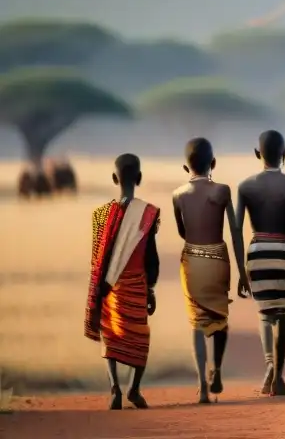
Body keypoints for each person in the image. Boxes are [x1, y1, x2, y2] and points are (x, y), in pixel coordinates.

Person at [173, 138, 249, 404]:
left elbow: (182, 232)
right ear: (213, 163)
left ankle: (202, 387)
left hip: (192, 259)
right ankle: (216, 368)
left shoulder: (178, 195)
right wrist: (242, 272)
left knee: (196, 323)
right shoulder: (223, 191)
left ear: (186, 167)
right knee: (219, 318)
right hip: (218, 257)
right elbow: (236, 233)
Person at [84, 153, 160, 410]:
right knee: (140, 336)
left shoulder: (101, 215)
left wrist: (98, 292)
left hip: (110, 288)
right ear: (139, 178)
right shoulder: (148, 213)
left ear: (114, 178)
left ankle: (114, 389)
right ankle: (134, 389)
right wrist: (150, 288)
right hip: (137, 285)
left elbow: (97, 261)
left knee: (110, 335)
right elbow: (151, 256)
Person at [236, 130, 285, 397]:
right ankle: (278, 376)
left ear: (258, 154)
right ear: (284, 153)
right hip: (282, 251)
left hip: (256, 251)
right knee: (283, 313)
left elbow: (236, 227)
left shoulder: (245, 186)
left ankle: (268, 367)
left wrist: (242, 269)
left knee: (265, 314)